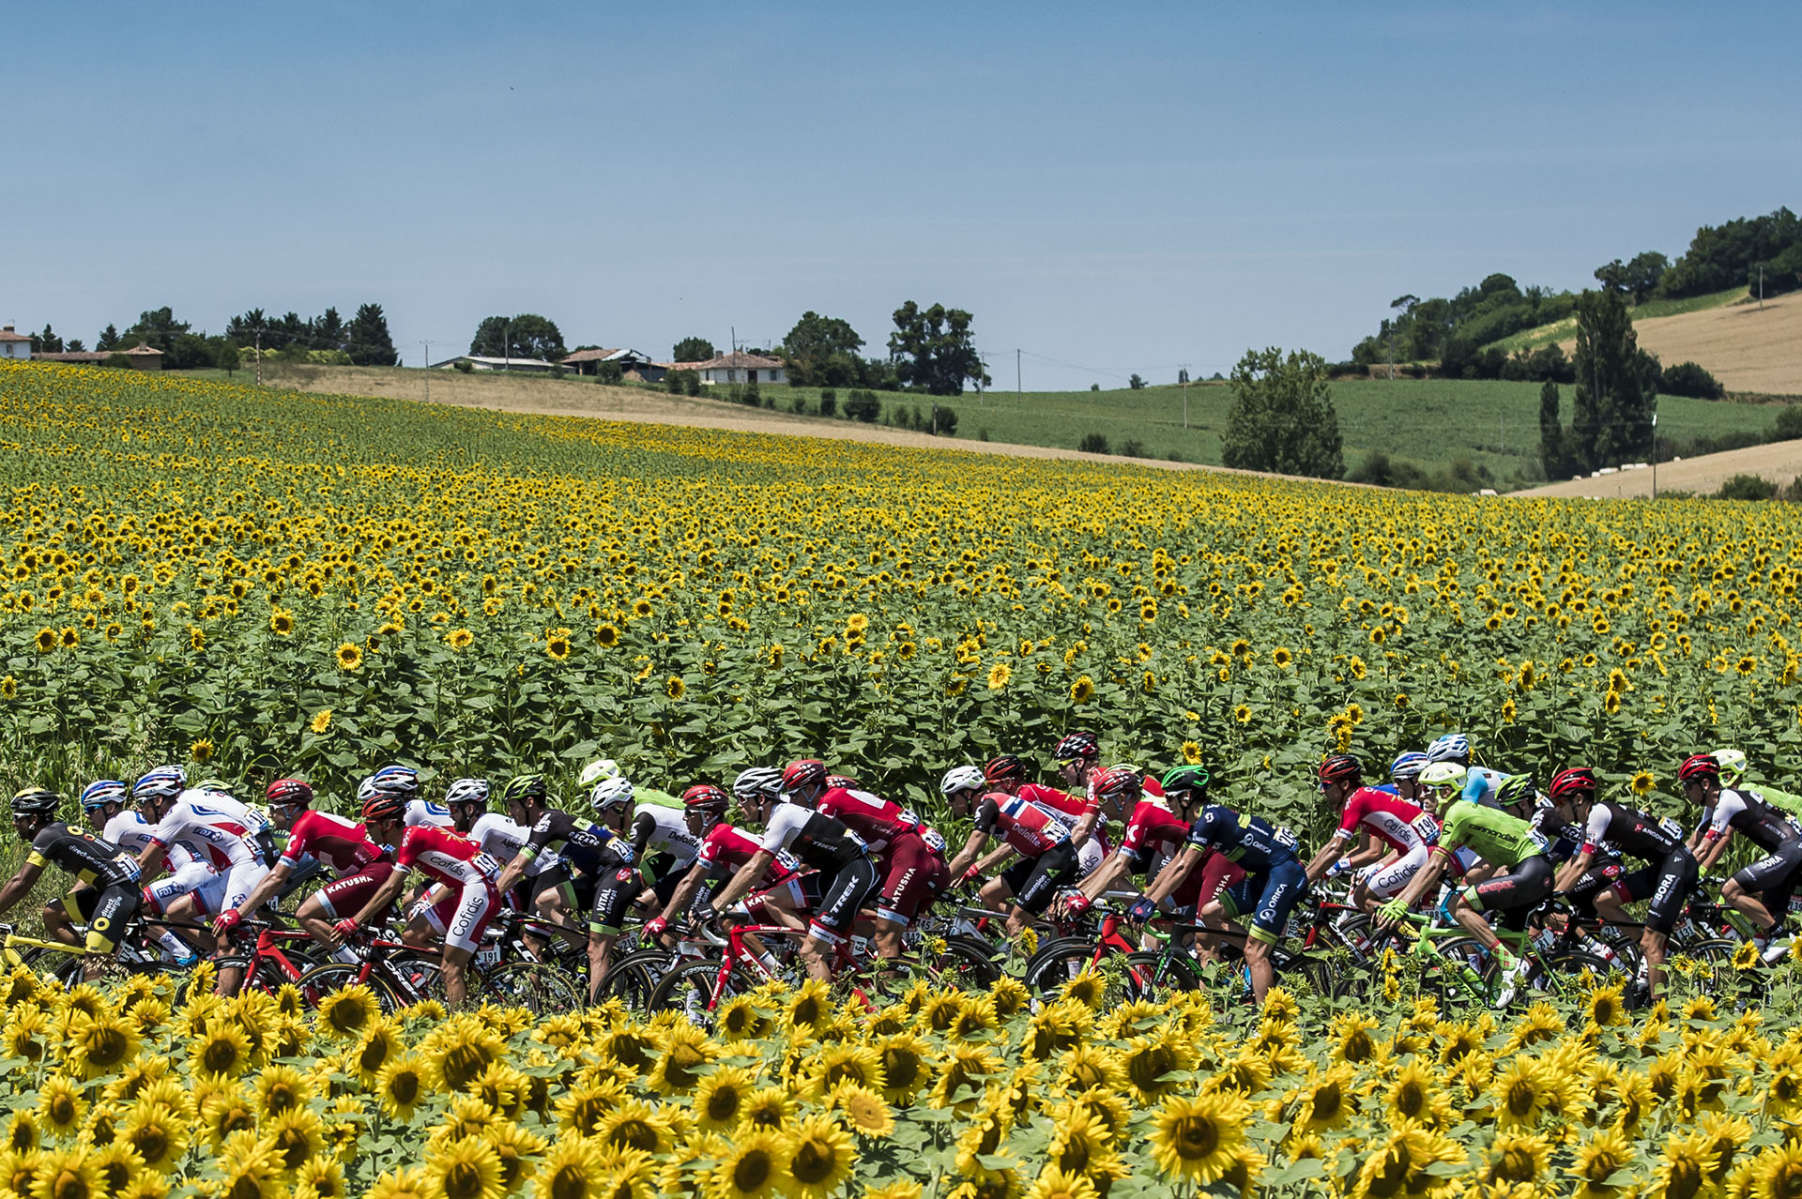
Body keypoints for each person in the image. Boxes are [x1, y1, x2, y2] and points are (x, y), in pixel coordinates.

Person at [1377, 761, 1556, 990]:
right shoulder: (1463, 812)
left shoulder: (1457, 811)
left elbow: (1433, 865)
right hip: (1530, 869)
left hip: (1531, 870)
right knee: (1508, 944)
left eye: (1428, 790)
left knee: (1460, 907)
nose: (1422, 797)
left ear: (1446, 791)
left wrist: (1400, 903)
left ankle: (1511, 965)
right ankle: (1518, 998)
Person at [1130, 784, 1305, 1003]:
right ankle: (1262, 947)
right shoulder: (1198, 826)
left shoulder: (1209, 819)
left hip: (1284, 873)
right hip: (1265, 875)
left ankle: (1265, 1021)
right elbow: (1176, 863)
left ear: (1187, 797)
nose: (1167, 803)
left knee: (1254, 953)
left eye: (1171, 798)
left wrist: (1151, 903)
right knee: (1209, 913)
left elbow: (1184, 869)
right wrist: (1146, 899)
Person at [331, 789, 501, 1007]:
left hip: (477, 889)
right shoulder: (405, 840)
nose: (367, 829)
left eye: (371, 824)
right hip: (461, 888)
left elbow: (391, 887)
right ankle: (464, 960)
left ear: (388, 824)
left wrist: (354, 921)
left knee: (450, 969)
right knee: (412, 935)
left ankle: (461, 1026)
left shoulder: (411, 839)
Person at [705, 767, 876, 981]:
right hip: (834, 874)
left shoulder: (782, 817)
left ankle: (828, 999)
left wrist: (715, 905)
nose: (738, 805)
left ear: (760, 798)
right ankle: (820, 950)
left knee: (809, 954)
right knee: (774, 899)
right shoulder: (781, 811)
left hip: (854, 872)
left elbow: (755, 867)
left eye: (742, 798)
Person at [1543, 765, 1695, 1001]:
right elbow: (1573, 863)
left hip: (1677, 863)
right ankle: (1645, 956)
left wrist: (1557, 898)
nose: (1557, 809)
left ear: (1579, 799)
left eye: (1560, 803)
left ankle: (1660, 1015)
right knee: (1603, 901)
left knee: (1652, 943)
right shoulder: (1590, 821)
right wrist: (1549, 894)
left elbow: (1583, 865)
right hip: (1661, 865)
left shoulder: (1598, 814)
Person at [1066, 765, 1246, 957]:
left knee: (1208, 927)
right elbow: (1113, 860)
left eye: (1102, 799)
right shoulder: (1134, 819)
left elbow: (1119, 866)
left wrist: (1085, 899)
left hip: (1219, 861)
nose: (1099, 806)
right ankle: (1182, 955)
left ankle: (1260, 952)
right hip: (1192, 860)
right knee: (1158, 907)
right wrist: (1079, 890)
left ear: (1121, 799)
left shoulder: (1141, 814)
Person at [782, 759, 947, 958]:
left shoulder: (829, 801)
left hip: (907, 855)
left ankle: (890, 987)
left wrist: (792, 867)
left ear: (809, 789)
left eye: (793, 795)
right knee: (860, 896)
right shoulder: (835, 796)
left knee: (885, 938)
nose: (792, 802)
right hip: (895, 856)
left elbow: (820, 842)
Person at [213, 778, 395, 958]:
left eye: (274, 809)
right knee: (364, 942)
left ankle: (354, 967)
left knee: (306, 914)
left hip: (375, 870)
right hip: (375, 870)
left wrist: (239, 912)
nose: (270, 814)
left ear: (290, 809)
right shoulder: (308, 822)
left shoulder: (305, 825)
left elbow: (277, 877)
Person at [132, 767, 272, 994]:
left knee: (226, 936)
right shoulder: (185, 805)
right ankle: (233, 964)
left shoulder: (177, 813)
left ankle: (225, 1003)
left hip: (246, 866)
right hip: (228, 872)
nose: (140, 810)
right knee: (177, 912)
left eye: (143, 803)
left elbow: (144, 861)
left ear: (158, 800)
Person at [0, 788, 144, 972]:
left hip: (119, 890)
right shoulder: (55, 831)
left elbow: (21, 882)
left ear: (33, 819)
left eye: (18, 817)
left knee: (95, 959)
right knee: (52, 914)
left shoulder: (48, 836)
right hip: (108, 888)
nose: (14, 823)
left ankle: (95, 976)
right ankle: (83, 966)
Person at [584, 775, 701, 999]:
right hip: (681, 856)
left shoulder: (642, 818)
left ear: (618, 807)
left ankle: (695, 985)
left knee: (687, 920)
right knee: (643, 905)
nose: (602, 818)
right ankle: (672, 954)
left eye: (602, 812)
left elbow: (630, 861)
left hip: (701, 858)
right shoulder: (636, 815)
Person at [943, 769, 1094, 937]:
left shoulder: (988, 805)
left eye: (951, 797)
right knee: (988, 894)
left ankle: (1039, 960)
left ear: (968, 793)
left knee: (1015, 923)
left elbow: (968, 855)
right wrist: (973, 870)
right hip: (1043, 856)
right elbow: (1010, 847)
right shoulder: (991, 803)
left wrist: (939, 881)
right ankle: (1045, 938)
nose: (949, 804)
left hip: (1057, 856)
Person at [1684, 752, 1802, 960]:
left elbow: (1705, 848)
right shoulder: (1713, 806)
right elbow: (1693, 843)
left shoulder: (1727, 800)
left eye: (1687, 786)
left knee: (1730, 890)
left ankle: (1781, 935)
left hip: (1791, 850)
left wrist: (1680, 876)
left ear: (1704, 784)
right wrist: (1664, 866)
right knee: (1764, 919)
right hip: (1786, 852)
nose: (1685, 792)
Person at [79, 780, 206, 964]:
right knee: (140, 904)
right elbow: (156, 864)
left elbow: (100, 865)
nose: (87, 816)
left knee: (127, 906)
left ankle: (180, 952)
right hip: (194, 871)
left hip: (189, 872)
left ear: (110, 807)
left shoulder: (115, 823)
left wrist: (75, 896)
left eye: (91, 810)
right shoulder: (131, 820)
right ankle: (178, 953)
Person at [491, 773, 622, 941]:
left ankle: (582, 948)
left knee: (544, 903)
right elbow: (591, 853)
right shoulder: (552, 819)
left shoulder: (547, 823)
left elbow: (517, 867)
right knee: (548, 902)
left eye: (512, 805)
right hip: (603, 874)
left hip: (612, 876)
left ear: (529, 802)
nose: (510, 812)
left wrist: (490, 900)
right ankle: (583, 949)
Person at [1304, 754, 1440, 911]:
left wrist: (1303, 881)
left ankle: (1409, 936)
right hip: (1421, 850)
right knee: (1400, 905)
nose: (1322, 791)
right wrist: (1306, 874)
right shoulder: (1362, 798)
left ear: (1345, 784)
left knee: (1362, 897)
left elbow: (1336, 849)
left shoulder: (1356, 801)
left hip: (1422, 851)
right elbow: (1332, 845)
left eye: (1326, 786)